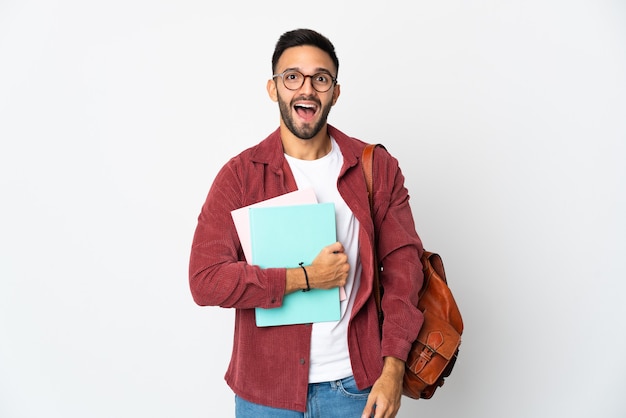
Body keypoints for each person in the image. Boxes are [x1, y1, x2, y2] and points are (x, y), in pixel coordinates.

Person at [189, 28, 424, 418]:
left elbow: (404, 270)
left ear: (335, 91)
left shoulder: (375, 168)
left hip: (356, 387)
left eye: (320, 78)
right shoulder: (240, 176)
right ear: (273, 88)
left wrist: (393, 369)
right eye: (292, 77)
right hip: (265, 395)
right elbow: (204, 280)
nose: (306, 89)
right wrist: (305, 277)